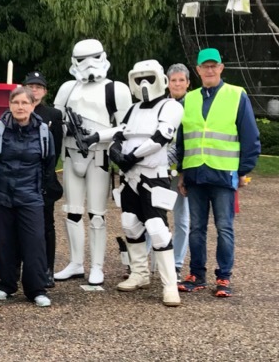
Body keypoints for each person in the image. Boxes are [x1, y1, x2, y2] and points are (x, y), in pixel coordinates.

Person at [177, 48, 261, 297]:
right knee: (196, 228)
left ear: (221, 68)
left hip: (223, 174)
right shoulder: (189, 99)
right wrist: (181, 172)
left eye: (214, 66)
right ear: (198, 70)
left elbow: (250, 136)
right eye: (205, 66)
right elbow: (182, 139)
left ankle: (223, 277)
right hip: (195, 174)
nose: (210, 70)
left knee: (224, 228)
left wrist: (243, 170)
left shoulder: (236, 95)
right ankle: (196, 275)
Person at [53, 39, 132, 285]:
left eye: (93, 58)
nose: (88, 64)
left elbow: (127, 126)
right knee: (72, 211)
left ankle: (97, 266)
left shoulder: (115, 89)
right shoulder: (68, 88)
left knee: (97, 214)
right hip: (71, 154)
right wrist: (65, 129)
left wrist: (98, 136)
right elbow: (56, 120)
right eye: (82, 60)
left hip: (99, 155)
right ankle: (76, 262)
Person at [110, 60, 184, 306]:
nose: (144, 84)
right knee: (130, 224)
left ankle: (169, 285)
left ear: (160, 79)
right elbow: (119, 133)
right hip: (129, 176)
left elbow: (162, 136)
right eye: (138, 78)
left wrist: (132, 156)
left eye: (149, 78)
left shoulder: (170, 106)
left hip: (154, 175)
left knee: (157, 227)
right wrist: (115, 150)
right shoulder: (133, 109)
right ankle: (139, 273)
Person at [0, 87, 56, 307]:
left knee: (34, 243)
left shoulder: (43, 132)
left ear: (33, 105)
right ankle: (6, 285)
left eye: (25, 103)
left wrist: (41, 191)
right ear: (9, 105)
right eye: (16, 102)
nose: (20, 107)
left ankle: (36, 289)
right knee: (3, 242)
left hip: (30, 195)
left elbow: (49, 163)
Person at [23, 71, 64, 288]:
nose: (34, 90)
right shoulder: (18, 110)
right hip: (22, 177)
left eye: (38, 87)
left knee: (47, 225)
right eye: (31, 86)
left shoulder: (53, 115)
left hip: (44, 177)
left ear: (45, 91)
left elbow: (55, 149)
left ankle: (48, 269)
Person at [165, 63, 191, 276]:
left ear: (188, 83)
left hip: (180, 171)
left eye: (181, 80)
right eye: (173, 80)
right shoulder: (161, 105)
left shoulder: (193, 105)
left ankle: (177, 263)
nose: (177, 84)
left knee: (181, 219)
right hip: (159, 170)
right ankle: (147, 261)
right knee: (152, 216)